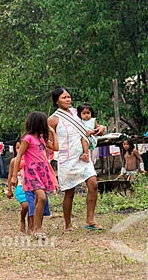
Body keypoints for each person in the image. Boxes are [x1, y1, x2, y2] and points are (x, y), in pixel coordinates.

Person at [48, 87, 105, 231]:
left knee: (93, 184)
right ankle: (68, 224)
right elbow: (48, 141)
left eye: (68, 97)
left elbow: (90, 125)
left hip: (83, 156)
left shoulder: (76, 112)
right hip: (67, 159)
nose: (67, 100)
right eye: (63, 98)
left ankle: (90, 220)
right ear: (56, 101)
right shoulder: (52, 120)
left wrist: (100, 128)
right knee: (70, 192)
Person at [10, 112, 58, 239]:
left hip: (42, 172)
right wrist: (14, 176)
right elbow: (19, 156)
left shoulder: (42, 139)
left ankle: (37, 228)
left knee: (39, 200)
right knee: (42, 198)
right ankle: (37, 228)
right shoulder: (27, 139)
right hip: (31, 172)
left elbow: (56, 147)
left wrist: (52, 133)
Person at [6, 137, 31, 233]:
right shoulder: (14, 161)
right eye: (17, 148)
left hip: (31, 187)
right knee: (25, 206)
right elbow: (10, 176)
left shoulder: (31, 159)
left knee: (31, 207)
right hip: (20, 186)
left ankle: (31, 226)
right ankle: (22, 220)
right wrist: (9, 189)